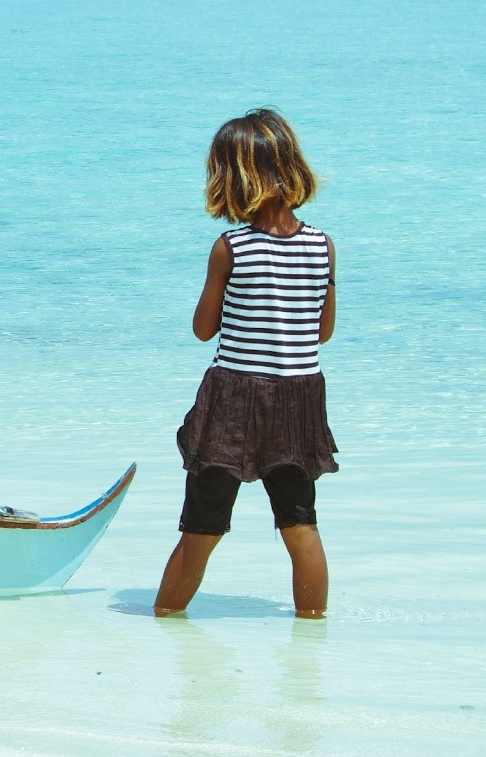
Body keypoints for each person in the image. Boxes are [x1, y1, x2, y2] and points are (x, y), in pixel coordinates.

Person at [154, 109, 338, 619]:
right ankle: (311, 638)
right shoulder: (322, 245)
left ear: (233, 178)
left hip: (235, 396)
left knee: (201, 528)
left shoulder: (230, 246)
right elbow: (323, 331)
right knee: (300, 525)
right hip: (299, 394)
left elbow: (203, 329)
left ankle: (166, 625)